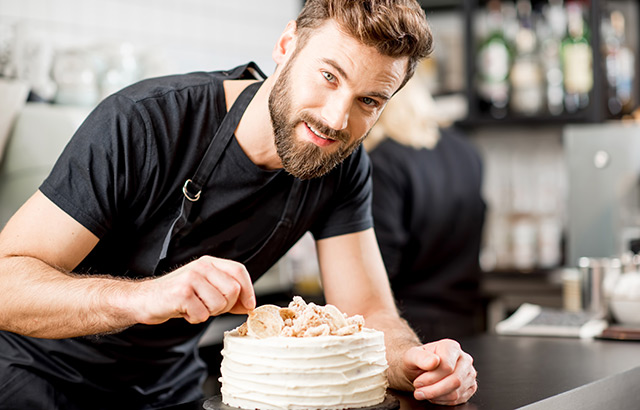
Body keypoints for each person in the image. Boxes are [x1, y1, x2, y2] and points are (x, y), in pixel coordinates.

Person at [0, 0, 477, 408]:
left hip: (167, 390)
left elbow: (371, 314)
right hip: (39, 378)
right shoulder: (144, 123)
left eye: (369, 101)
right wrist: (144, 296)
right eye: (329, 76)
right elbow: (6, 284)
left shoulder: (342, 166)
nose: (337, 118)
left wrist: (417, 363)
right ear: (286, 46)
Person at [365, 70, 487, 342]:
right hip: (465, 324)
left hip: (407, 333)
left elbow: (376, 268)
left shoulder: (383, 162)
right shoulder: (465, 150)